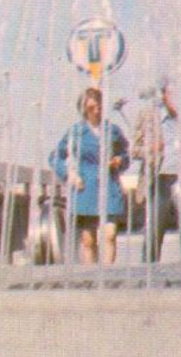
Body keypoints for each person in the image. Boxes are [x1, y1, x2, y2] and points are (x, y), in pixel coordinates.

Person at [49, 87, 131, 264]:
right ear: (84, 109)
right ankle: (91, 276)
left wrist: (119, 160)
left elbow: (126, 153)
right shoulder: (75, 132)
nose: (97, 111)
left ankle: (108, 277)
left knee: (110, 234)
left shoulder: (113, 130)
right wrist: (68, 175)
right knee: (88, 240)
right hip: (85, 188)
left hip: (109, 186)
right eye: (92, 107)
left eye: (99, 106)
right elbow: (55, 156)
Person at [132, 82, 180, 263]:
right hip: (159, 179)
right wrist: (150, 148)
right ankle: (148, 273)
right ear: (164, 95)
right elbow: (133, 150)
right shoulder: (148, 115)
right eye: (172, 92)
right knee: (154, 230)